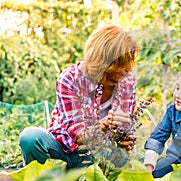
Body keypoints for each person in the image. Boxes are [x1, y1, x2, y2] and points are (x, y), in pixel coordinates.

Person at [19, 25, 140, 170]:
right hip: (62, 152)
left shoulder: (127, 82)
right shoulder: (70, 79)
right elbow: (78, 136)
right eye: (121, 65)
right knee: (30, 137)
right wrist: (105, 124)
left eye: (129, 66)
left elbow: (123, 129)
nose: (127, 71)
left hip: (98, 156)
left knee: (124, 163)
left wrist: (125, 140)